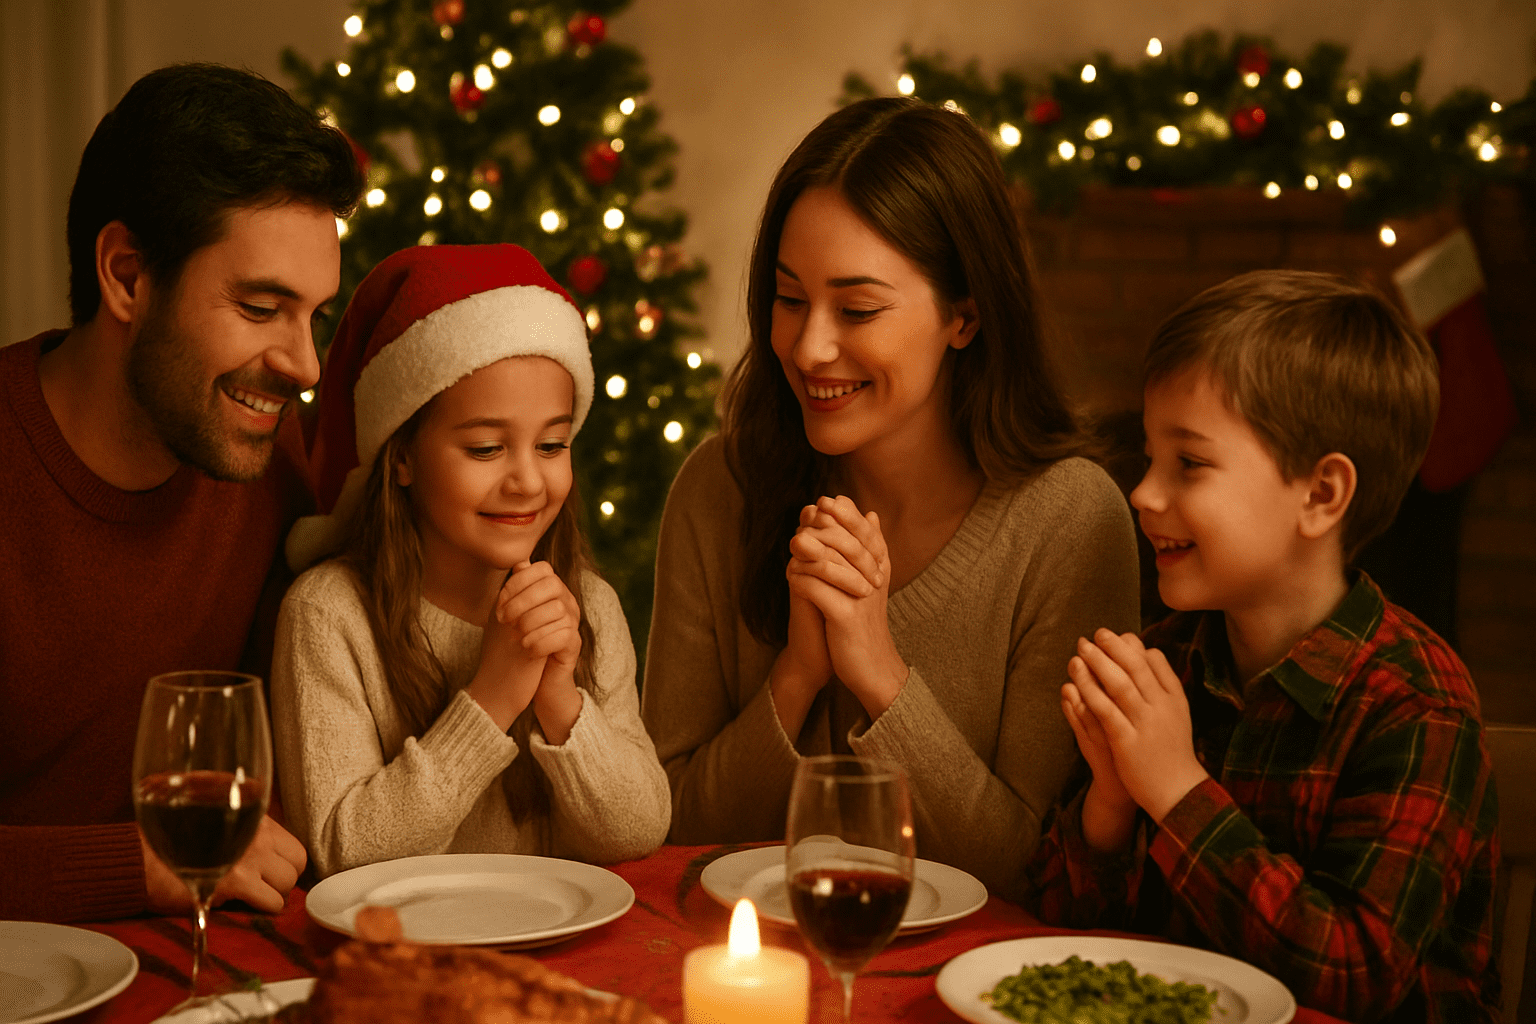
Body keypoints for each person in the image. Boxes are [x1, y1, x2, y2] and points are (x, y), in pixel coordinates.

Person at [641, 97, 1140, 901]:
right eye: (790, 297)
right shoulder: (719, 489)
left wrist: (878, 673)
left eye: (859, 308)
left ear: (965, 315)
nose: (809, 348)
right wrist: (798, 676)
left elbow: (1034, 877)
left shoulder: (1069, 521)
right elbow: (671, 826)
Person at [1028, 270, 1499, 1023]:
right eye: (1149, 457)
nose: (1144, 494)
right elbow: (1060, 924)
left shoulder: (1417, 704)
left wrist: (1176, 791)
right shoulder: (1169, 661)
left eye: (1190, 463)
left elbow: (1356, 977)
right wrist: (1112, 803)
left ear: (1321, 495)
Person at [0, 64, 361, 923]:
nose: (305, 365)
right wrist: (133, 865)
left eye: (313, 314)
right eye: (262, 305)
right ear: (126, 276)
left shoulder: (268, 462)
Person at [271, 244, 670, 880]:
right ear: (401, 457)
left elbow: (639, 829)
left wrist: (560, 701)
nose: (527, 482)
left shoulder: (587, 605)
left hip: (553, 953)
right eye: (485, 449)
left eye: (551, 444)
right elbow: (340, 852)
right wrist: (492, 696)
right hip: (402, 962)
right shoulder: (329, 615)